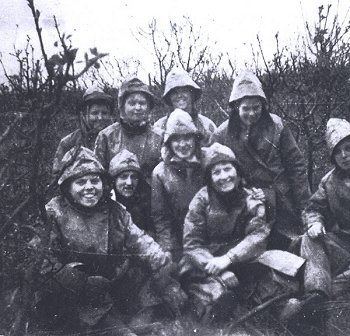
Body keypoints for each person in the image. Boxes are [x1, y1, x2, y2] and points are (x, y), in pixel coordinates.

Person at [34, 147, 186, 335]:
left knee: (157, 300)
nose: (89, 187)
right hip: (71, 299)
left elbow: (142, 243)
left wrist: (166, 268)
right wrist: (78, 281)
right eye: (81, 182)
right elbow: (41, 263)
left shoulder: (115, 211)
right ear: (67, 186)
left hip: (111, 288)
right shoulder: (53, 212)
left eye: (95, 180)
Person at [181, 142, 277, 323]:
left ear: (237, 172)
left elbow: (258, 236)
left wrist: (229, 259)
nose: (224, 177)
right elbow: (192, 245)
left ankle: (276, 309)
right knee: (216, 293)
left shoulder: (251, 199)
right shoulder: (201, 200)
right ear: (209, 178)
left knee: (279, 271)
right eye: (216, 172)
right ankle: (214, 315)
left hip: (239, 261)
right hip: (206, 266)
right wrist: (218, 269)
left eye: (227, 169)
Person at [214, 70, 310, 250]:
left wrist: (305, 207)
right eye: (246, 108)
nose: (251, 113)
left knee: (295, 247)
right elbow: (215, 175)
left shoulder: (276, 125)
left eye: (256, 107)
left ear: (263, 106)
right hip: (248, 204)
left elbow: (296, 166)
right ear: (236, 107)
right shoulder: (222, 134)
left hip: (283, 202)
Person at [282, 118, 350, 320]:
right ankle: (316, 294)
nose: (344, 155)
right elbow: (313, 208)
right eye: (338, 152)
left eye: (348, 148)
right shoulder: (329, 182)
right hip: (344, 244)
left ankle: (321, 303)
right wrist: (315, 222)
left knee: (339, 286)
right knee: (309, 239)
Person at [152, 108, 204, 262]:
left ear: (195, 139)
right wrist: (167, 249)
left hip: (211, 237)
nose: (183, 144)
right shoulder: (160, 173)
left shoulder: (208, 161)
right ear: (168, 142)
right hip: (179, 239)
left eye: (188, 138)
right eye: (176, 139)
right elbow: (161, 218)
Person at [95, 77, 162, 183]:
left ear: (149, 107)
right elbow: (98, 174)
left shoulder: (159, 136)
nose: (138, 108)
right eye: (132, 103)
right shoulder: (107, 136)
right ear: (122, 106)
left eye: (142, 103)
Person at [52, 85, 114, 175]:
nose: (100, 118)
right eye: (95, 113)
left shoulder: (117, 137)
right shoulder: (69, 142)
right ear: (85, 115)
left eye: (104, 113)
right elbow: (57, 176)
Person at [154, 67, 216, 147]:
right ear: (169, 97)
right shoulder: (159, 127)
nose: (179, 96)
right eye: (175, 93)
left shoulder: (207, 125)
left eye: (184, 91)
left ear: (192, 94)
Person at [109, 149, 154, 235]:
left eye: (134, 177)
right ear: (114, 180)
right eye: (123, 177)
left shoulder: (146, 203)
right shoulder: (106, 204)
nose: (129, 182)